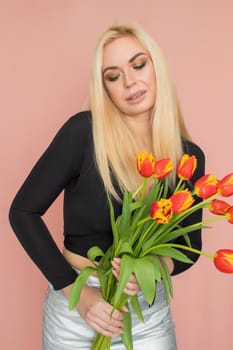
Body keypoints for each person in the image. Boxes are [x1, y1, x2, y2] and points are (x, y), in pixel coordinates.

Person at [9, 23, 205, 350]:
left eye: (138, 64)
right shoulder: (83, 134)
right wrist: (76, 292)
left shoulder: (188, 157)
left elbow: (190, 246)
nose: (129, 82)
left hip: (147, 315)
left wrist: (153, 269)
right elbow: (23, 212)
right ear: (105, 89)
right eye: (113, 76)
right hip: (76, 312)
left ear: (157, 66)